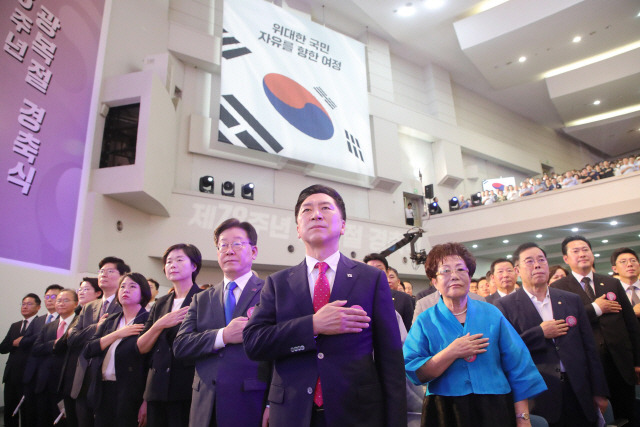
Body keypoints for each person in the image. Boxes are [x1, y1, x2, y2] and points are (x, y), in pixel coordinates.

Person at [244, 184, 407, 427]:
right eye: (306, 210)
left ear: (342, 225)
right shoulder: (277, 283)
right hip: (293, 412)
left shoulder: (370, 279)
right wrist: (313, 325)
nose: (316, 214)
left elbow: (390, 359)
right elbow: (254, 343)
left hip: (357, 412)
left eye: (325, 208)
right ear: (298, 229)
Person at [404, 242, 546, 426]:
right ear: (434, 281)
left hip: (494, 405)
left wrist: (523, 417)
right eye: (445, 271)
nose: (454, 276)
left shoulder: (492, 313)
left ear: (469, 277)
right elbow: (414, 371)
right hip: (445, 409)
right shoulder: (425, 320)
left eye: (461, 269)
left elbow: (518, 366)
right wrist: (452, 352)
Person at [496, 243, 608, 426]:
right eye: (530, 261)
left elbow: (589, 347)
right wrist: (539, 333)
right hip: (540, 395)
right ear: (517, 270)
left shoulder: (570, 299)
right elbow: (506, 351)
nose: (538, 265)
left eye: (541, 260)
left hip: (579, 390)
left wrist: (600, 391)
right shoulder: (505, 306)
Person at [174, 219, 269, 427]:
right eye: (223, 245)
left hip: (251, 402)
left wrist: (272, 404)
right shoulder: (202, 298)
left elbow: (280, 351)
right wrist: (223, 336)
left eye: (237, 244)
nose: (229, 250)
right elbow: (181, 345)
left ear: (253, 252)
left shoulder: (270, 292)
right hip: (205, 404)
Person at [551, 236, 640, 424]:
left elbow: (631, 325)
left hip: (620, 364)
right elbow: (565, 322)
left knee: (629, 415)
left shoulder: (611, 283)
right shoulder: (558, 288)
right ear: (566, 259)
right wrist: (595, 307)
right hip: (588, 367)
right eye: (575, 251)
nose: (582, 254)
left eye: (585, 249)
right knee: (599, 418)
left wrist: (637, 361)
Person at [136, 244, 204, 427]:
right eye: (168, 261)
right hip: (156, 389)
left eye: (179, 260)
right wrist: (159, 324)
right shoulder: (160, 303)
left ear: (194, 266)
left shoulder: (204, 298)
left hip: (186, 388)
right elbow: (142, 346)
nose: (172, 264)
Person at [67, 256, 129, 427]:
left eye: (110, 271)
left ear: (123, 275)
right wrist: (96, 327)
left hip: (108, 380)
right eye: (101, 271)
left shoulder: (126, 305)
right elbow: (72, 339)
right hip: (83, 379)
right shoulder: (88, 307)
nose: (103, 274)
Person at [84, 273, 151, 427]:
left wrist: (146, 400)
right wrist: (117, 334)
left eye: (132, 286)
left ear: (143, 293)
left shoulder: (148, 321)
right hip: (103, 389)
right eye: (122, 286)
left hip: (131, 392)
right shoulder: (110, 320)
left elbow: (151, 363)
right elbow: (89, 350)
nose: (125, 290)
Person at [32, 288, 79, 427]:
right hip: (45, 381)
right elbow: (36, 348)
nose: (61, 303)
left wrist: (48, 346)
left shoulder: (78, 323)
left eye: (66, 300)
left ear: (76, 304)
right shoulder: (49, 326)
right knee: (43, 419)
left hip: (65, 382)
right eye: (59, 300)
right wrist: (54, 344)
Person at [0, 293, 40, 427]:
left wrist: (22, 342)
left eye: (29, 304)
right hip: (11, 375)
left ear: (38, 307)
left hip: (28, 376)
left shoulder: (41, 324)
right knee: (9, 411)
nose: (25, 307)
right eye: (23, 304)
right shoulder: (15, 325)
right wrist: (14, 343)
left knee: (27, 412)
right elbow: (3, 347)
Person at [363, 254, 415, 336]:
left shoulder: (404, 299)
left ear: (386, 272)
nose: (374, 272)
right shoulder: (358, 296)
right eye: (370, 269)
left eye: (379, 269)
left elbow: (410, 330)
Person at [610, 248, 640, 320]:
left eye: (633, 260)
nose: (629, 264)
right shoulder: (611, 293)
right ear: (615, 269)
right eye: (623, 262)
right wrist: (632, 312)